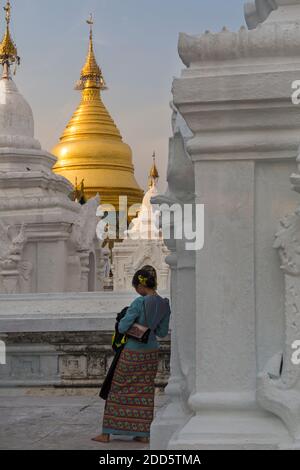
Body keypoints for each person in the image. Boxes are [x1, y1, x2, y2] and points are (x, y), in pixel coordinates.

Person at [92, 267, 171, 444]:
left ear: (141, 286)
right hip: (151, 352)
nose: (136, 290)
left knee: (118, 388)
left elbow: (122, 327)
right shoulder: (164, 304)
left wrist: (130, 322)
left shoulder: (138, 303)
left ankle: (106, 433)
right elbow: (162, 331)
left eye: (136, 286)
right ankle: (143, 433)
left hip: (133, 351)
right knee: (144, 389)